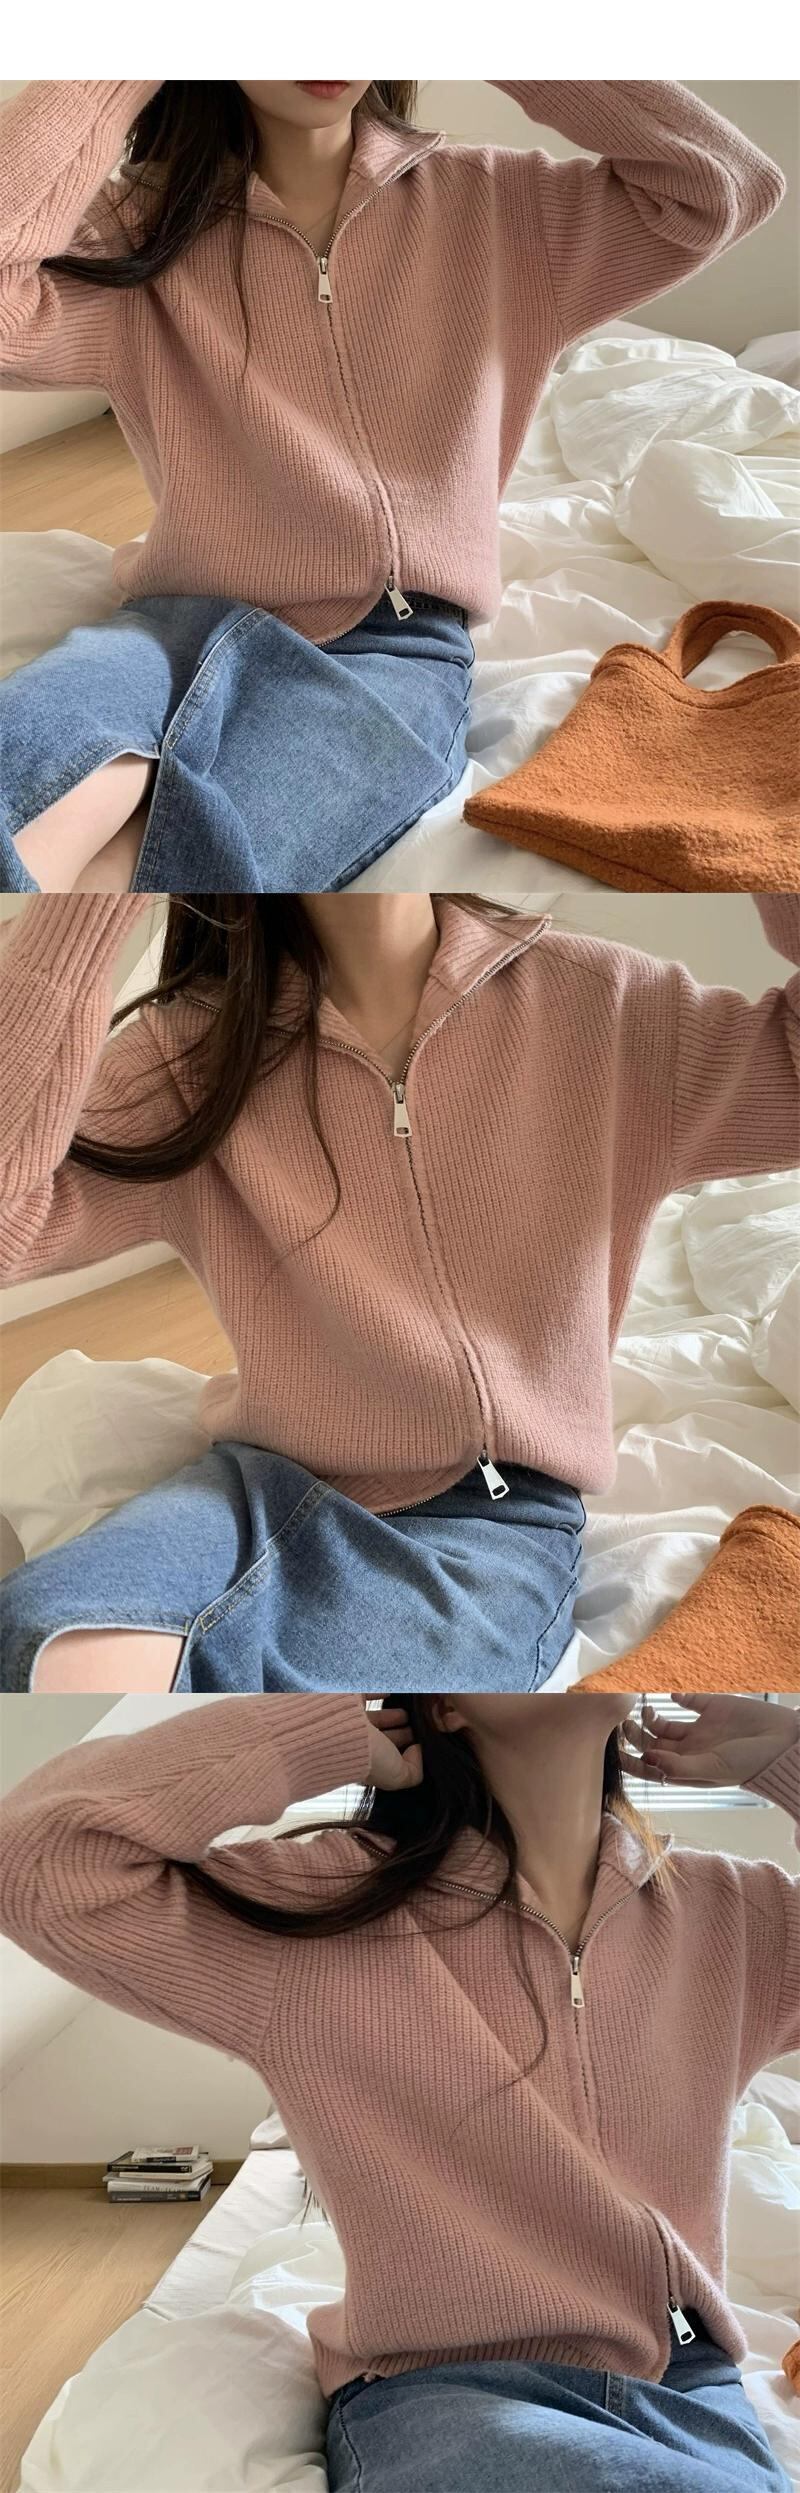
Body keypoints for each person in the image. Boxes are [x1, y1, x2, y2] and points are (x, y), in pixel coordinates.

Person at [1, 887, 798, 1694]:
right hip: (256, 1486)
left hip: (490, 1515)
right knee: (40, 1644)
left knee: (338, 1707)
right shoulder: (192, 1060)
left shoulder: (602, 1002)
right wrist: (90, 897)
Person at [0, 1688, 796, 2491]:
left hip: (688, 2382)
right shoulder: (326, 1905)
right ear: (444, 1705)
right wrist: (303, 1740)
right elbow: (33, 1859)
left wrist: (789, 1757)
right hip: (450, 2389)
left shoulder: (732, 1912)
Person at [0, 79, 784, 893]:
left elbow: (722, 187)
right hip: (172, 625)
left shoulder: (497, 207)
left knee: (205, 869)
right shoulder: (138, 230)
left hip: (391, 647)